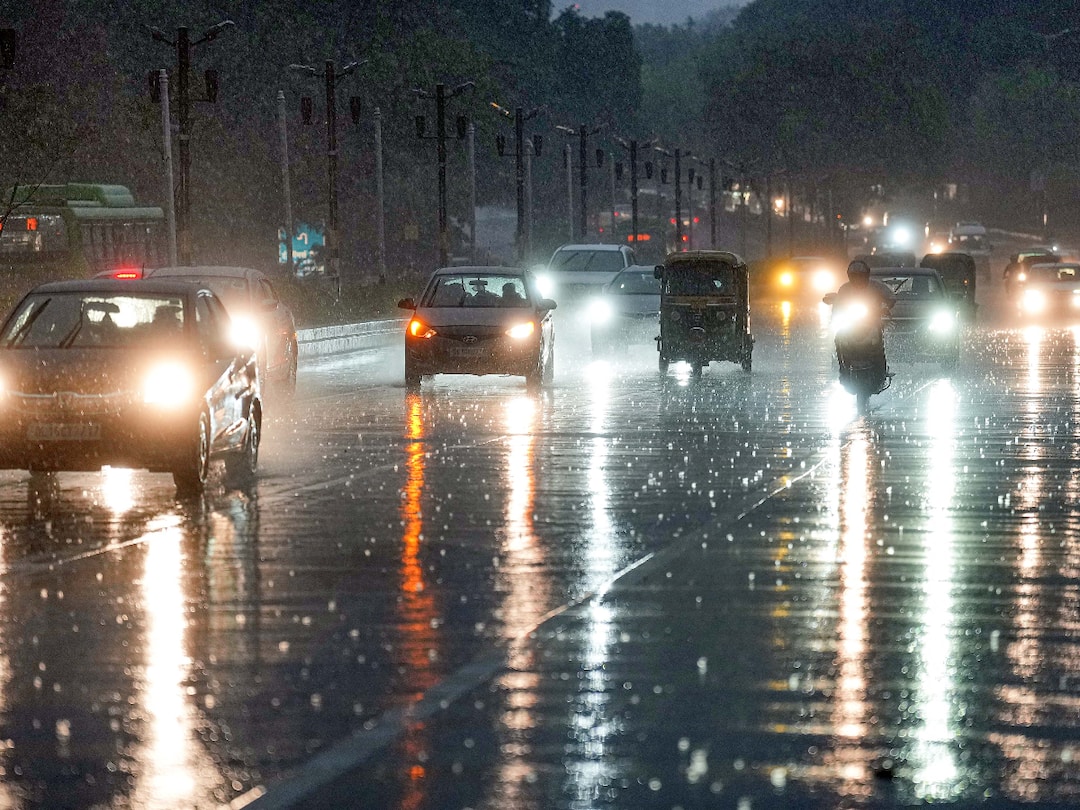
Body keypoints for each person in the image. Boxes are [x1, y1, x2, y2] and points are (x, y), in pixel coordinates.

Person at [832, 260, 894, 371]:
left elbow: (891, 297)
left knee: (878, 340)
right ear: (849, 276)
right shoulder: (844, 288)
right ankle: (842, 367)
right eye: (854, 276)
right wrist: (836, 315)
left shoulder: (876, 286)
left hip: (872, 321)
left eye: (861, 276)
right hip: (850, 322)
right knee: (838, 338)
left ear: (867, 275)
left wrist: (884, 308)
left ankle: (882, 368)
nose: (857, 279)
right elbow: (837, 304)